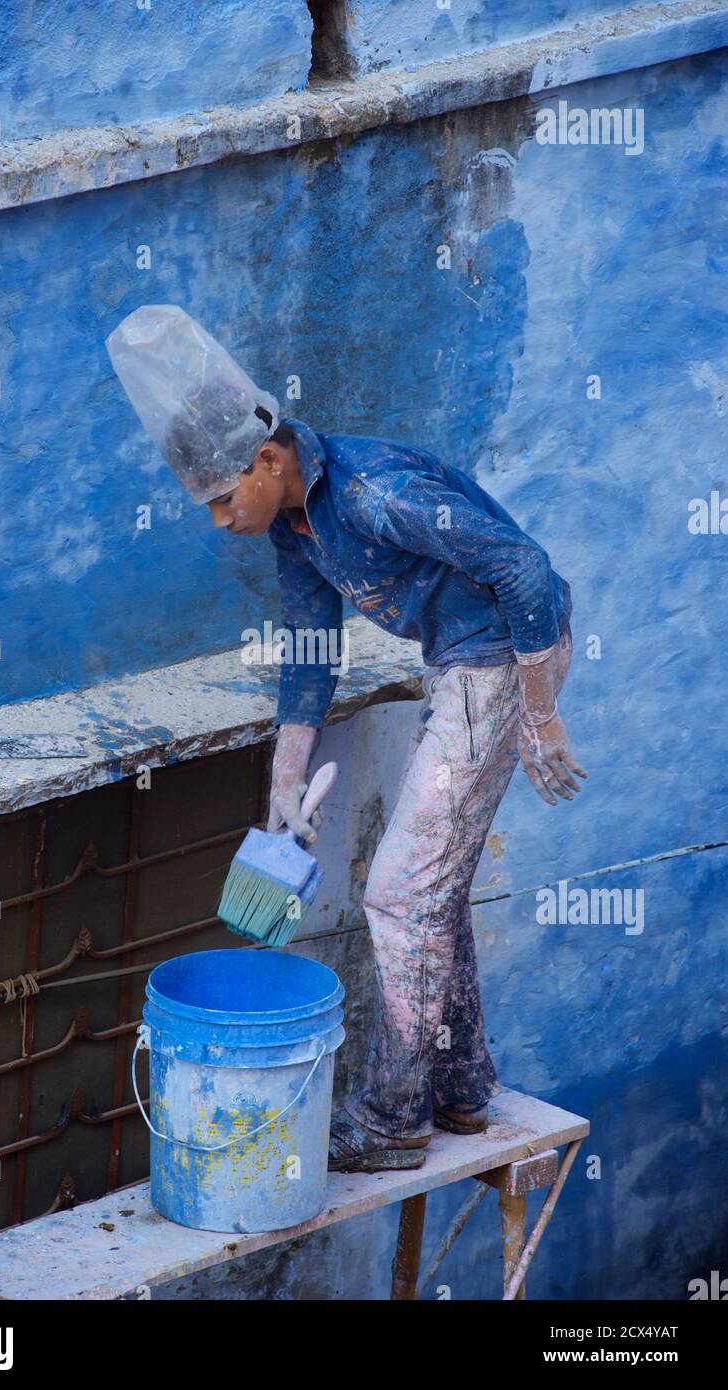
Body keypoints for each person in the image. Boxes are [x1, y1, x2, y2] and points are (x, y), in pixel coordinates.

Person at [107, 305, 587, 1175]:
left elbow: (520, 566)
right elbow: (310, 647)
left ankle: (394, 1119)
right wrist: (286, 781)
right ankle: (461, 1086)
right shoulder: (297, 525)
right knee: (428, 886)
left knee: (401, 896)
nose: (219, 520)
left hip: (505, 659)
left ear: (267, 460)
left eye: (221, 498)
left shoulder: (369, 495)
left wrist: (540, 710)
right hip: (464, 662)